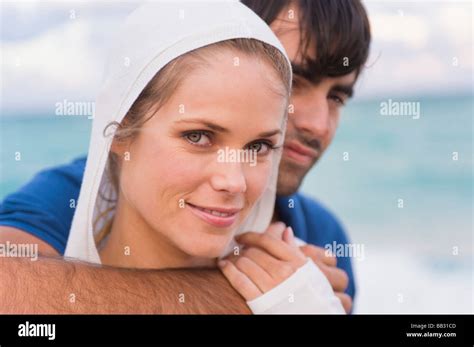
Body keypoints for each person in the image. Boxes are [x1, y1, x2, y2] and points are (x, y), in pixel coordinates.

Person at [0, 0, 371, 314]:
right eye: (198, 136)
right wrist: (251, 299)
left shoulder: (321, 243)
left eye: (258, 146)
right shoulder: (74, 192)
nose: (318, 124)